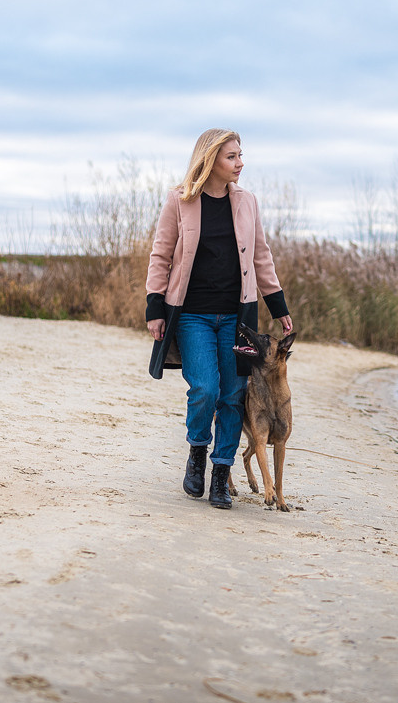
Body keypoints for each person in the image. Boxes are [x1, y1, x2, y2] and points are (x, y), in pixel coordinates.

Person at [145, 128, 293, 509]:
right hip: (191, 315)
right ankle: (198, 451)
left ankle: (221, 473)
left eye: (241, 155)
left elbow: (261, 257)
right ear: (210, 160)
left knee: (232, 395)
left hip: (236, 317)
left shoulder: (247, 202)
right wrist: (154, 306)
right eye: (232, 157)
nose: (240, 163)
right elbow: (161, 255)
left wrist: (278, 306)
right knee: (206, 389)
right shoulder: (179, 200)